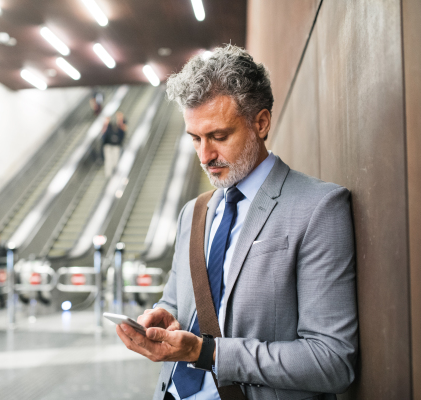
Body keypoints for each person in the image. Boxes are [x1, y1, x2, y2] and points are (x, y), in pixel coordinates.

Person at [115, 44, 358, 400]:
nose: (205, 156)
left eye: (219, 136)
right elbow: (175, 299)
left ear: (261, 123)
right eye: (195, 139)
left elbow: (333, 361)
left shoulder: (318, 208)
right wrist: (163, 316)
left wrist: (206, 353)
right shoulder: (192, 213)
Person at [102, 112, 126, 177]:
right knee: (108, 160)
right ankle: (108, 175)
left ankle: (114, 173)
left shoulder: (121, 126)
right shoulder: (107, 126)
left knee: (115, 161)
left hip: (116, 146)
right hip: (108, 146)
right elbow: (103, 136)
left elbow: (123, 134)